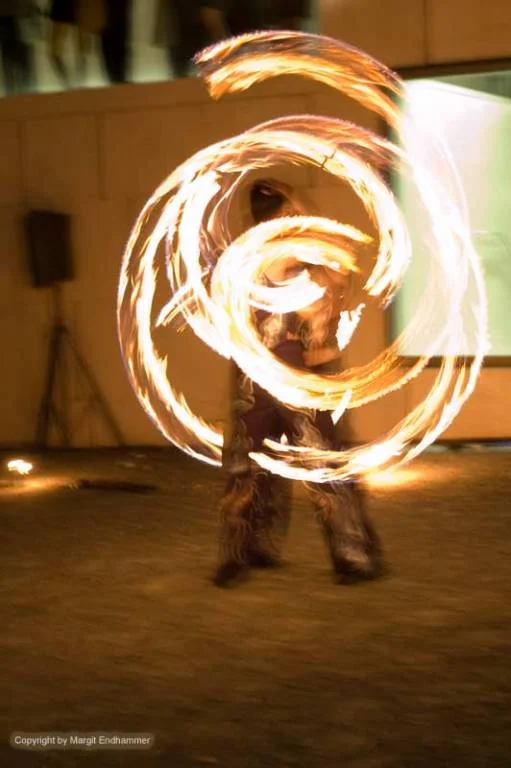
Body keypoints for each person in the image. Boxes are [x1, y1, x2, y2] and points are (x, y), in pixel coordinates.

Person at [214, 180, 383, 587]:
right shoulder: (247, 263)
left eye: (291, 213)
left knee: (322, 464)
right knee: (247, 467)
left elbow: (338, 287)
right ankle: (245, 550)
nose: (291, 220)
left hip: (300, 383)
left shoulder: (309, 262)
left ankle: (353, 554)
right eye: (283, 214)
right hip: (254, 383)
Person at [0, 0, 36, 95]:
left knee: (9, 61)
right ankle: (25, 89)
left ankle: (13, 91)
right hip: (15, 19)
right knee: (20, 61)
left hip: (11, 19)